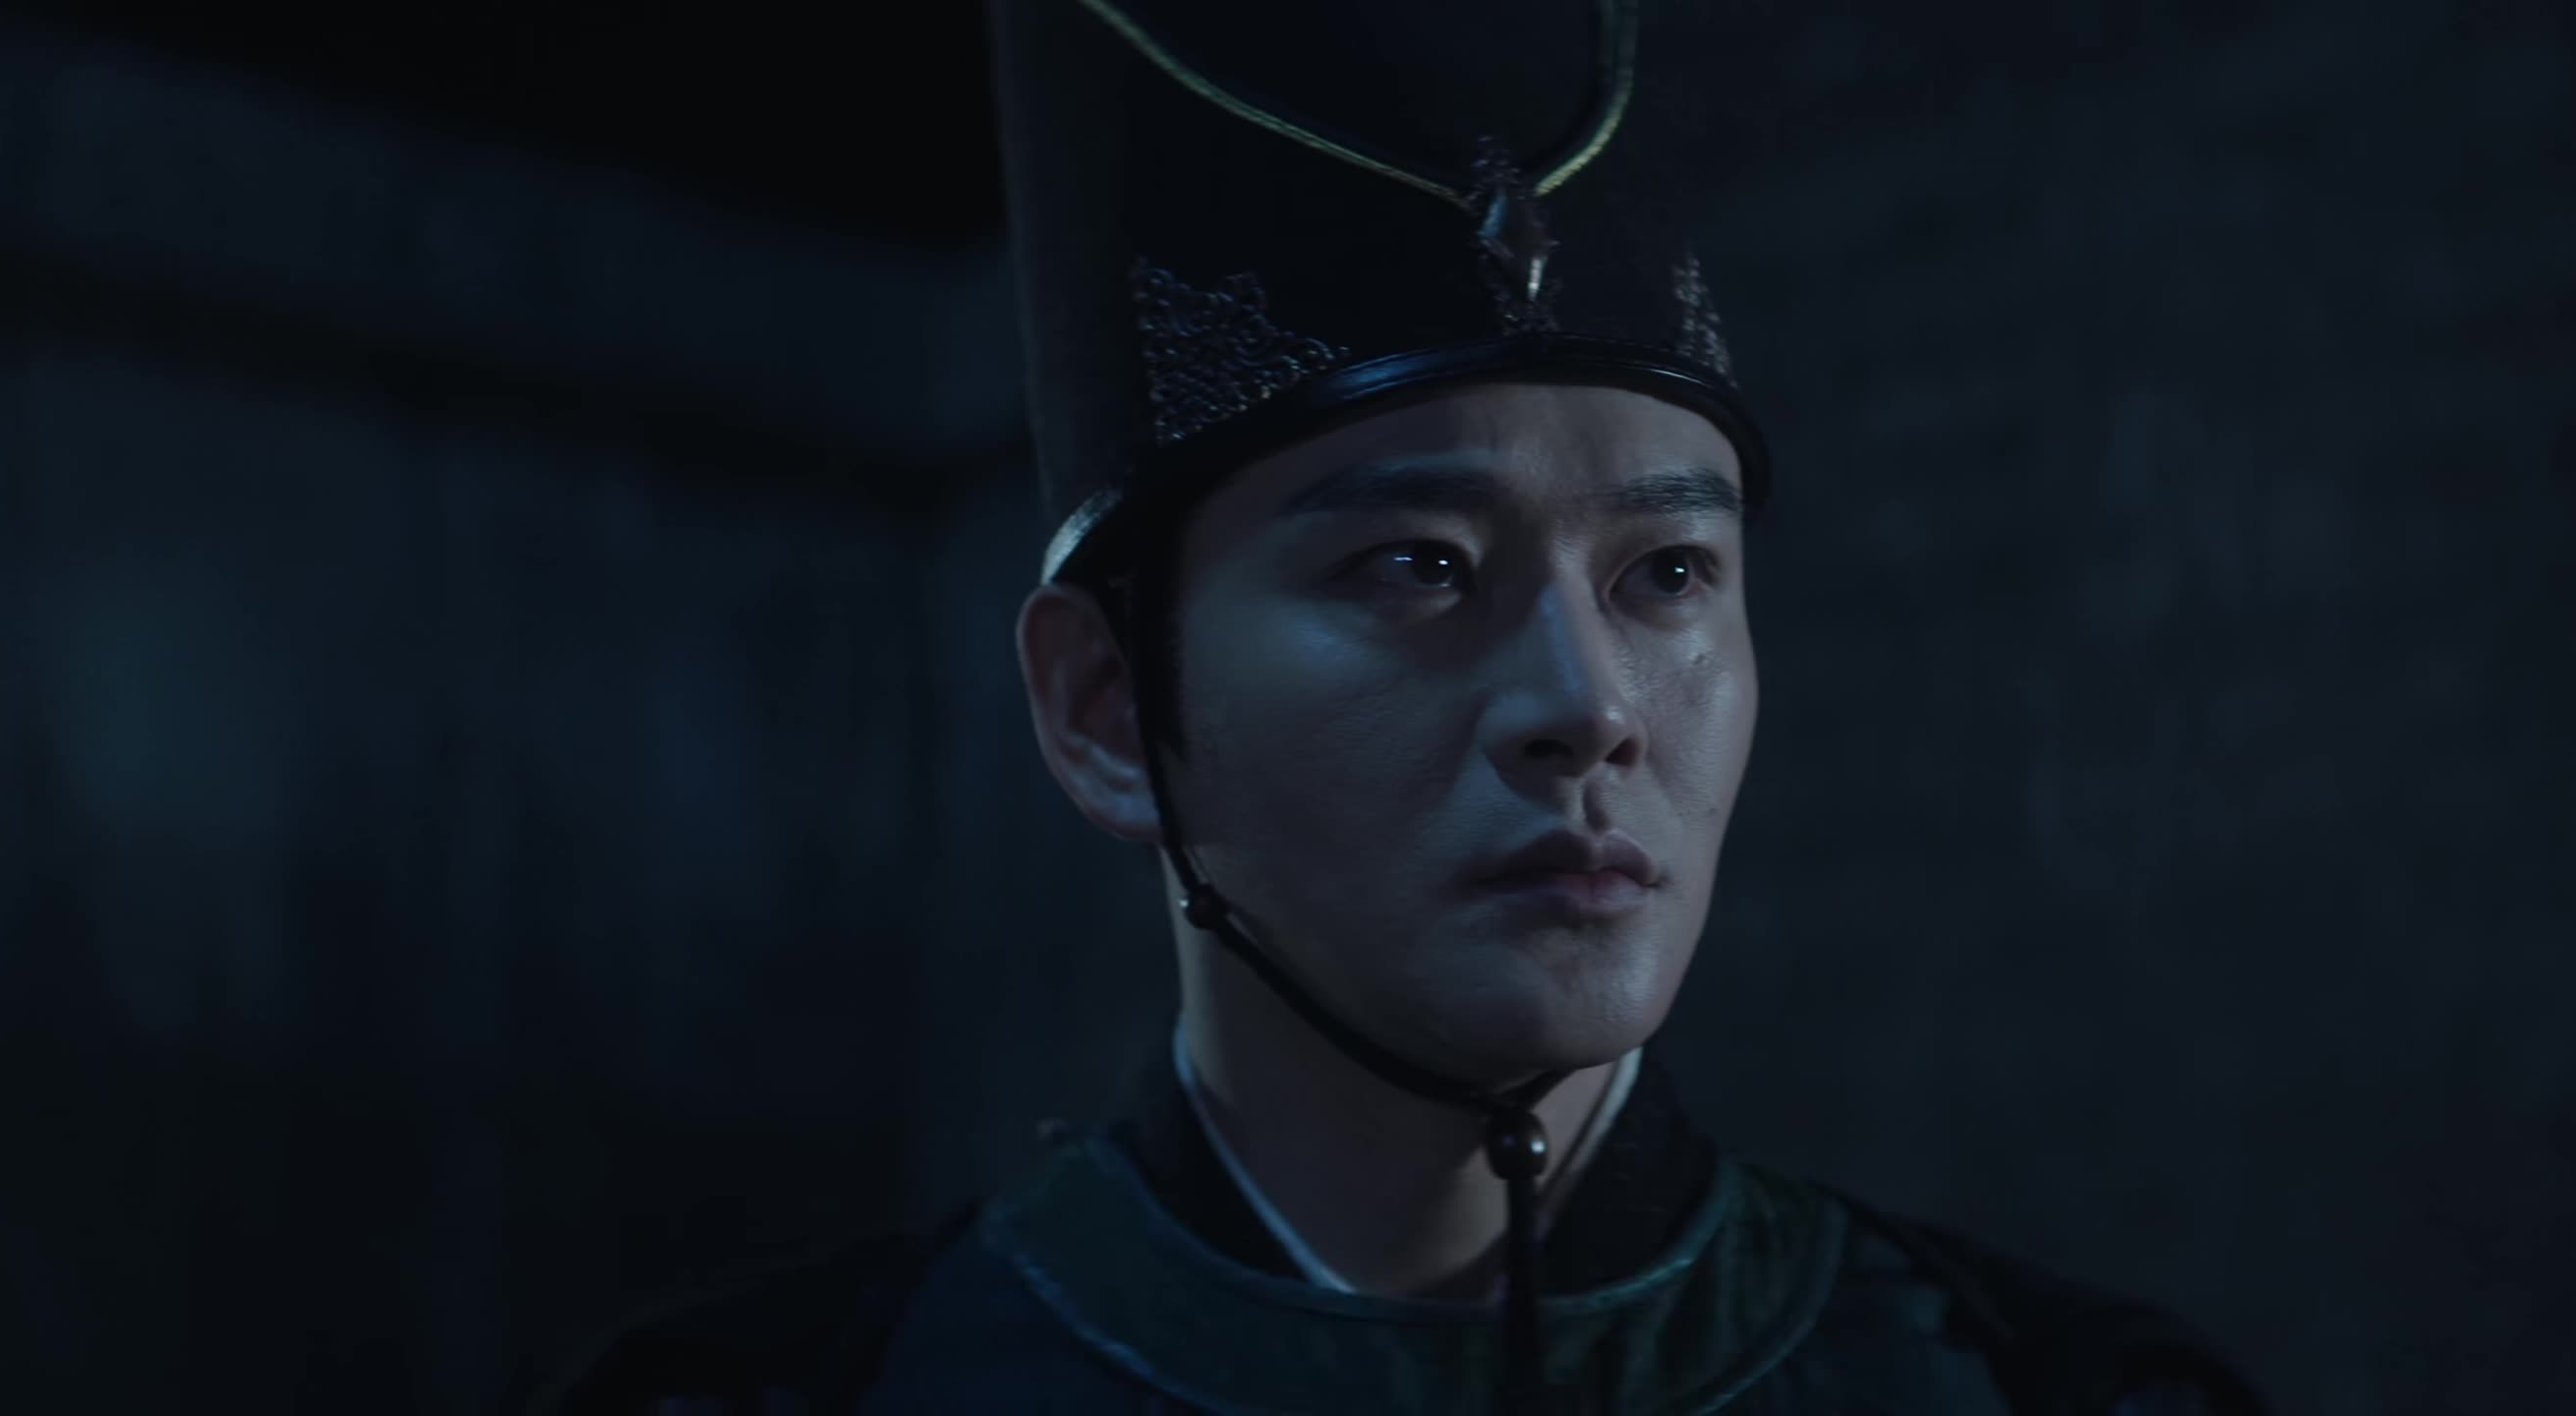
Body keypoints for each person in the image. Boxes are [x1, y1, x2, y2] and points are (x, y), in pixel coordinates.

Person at [539, 1, 2262, 1410]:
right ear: (1106, 709)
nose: (1588, 706)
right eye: (1419, 567)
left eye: (1666, 573)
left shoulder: (2041, 1393)